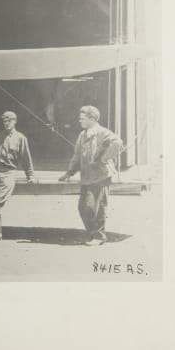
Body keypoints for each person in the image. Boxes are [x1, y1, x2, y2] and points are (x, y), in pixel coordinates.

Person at [58, 105, 124, 246]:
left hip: (101, 176)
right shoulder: (83, 135)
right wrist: (69, 172)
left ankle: (99, 236)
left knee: (96, 206)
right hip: (87, 177)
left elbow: (118, 143)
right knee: (83, 207)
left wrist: (104, 158)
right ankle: (92, 234)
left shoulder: (102, 132)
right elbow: (77, 156)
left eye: (82, 118)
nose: (79, 121)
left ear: (92, 119)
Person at [0, 111, 36, 242]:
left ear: (15, 121)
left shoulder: (21, 138)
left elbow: (26, 159)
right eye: (4, 121)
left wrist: (30, 175)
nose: (6, 123)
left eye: (9, 121)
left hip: (9, 172)